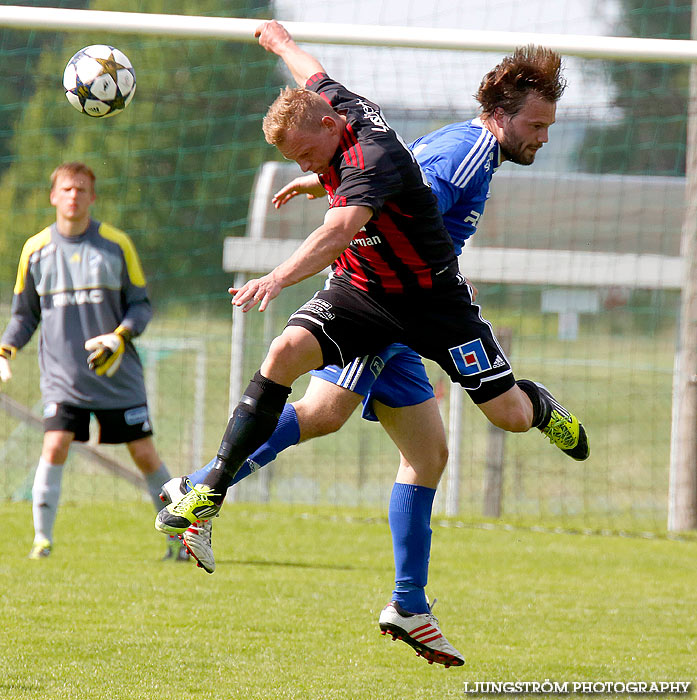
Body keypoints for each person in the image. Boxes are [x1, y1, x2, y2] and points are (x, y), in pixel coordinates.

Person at [157, 21, 588, 668]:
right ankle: (201, 490)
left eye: (549, 126)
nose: (542, 136)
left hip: (429, 307)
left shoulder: (397, 137)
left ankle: (536, 412)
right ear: (501, 115)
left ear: (330, 127)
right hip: (376, 297)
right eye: (537, 124)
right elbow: (370, 200)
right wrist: (276, 45)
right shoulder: (459, 150)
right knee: (302, 381)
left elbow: (382, 174)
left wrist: (329, 186)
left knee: (475, 428)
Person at [0, 162, 189, 562]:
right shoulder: (35, 250)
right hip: (64, 378)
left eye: (82, 189)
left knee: (144, 454)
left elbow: (140, 306)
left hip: (117, 376)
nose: (73, 196)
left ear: (92, 197)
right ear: (53, 196)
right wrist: (6, 349)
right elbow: (24, 315)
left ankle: (181, 538)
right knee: (54, 444)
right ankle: (42, 542)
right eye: (67, 189)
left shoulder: (115, 245)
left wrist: (119, 336)